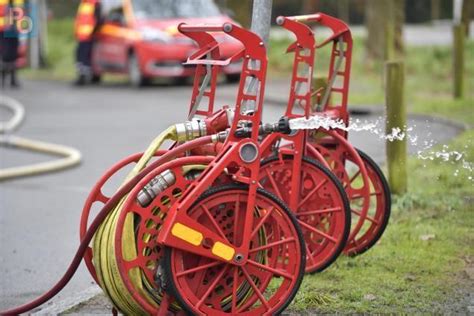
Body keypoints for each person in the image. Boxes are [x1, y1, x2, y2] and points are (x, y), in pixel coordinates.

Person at [74, 0, 101, 86]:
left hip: (89, 36)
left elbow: (98, 19)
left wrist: (94, 32)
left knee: (85, 57)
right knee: (80, 56)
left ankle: (85, 77)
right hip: (82, 36)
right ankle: (82, 75)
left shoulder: (95, 3)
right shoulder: (83, 3)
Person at [0, 0, 22, 88]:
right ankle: (4, 79)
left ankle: (12, 79)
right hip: (4, 28)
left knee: (13, 54)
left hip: (13, 28)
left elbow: (21, 12)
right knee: (5, 53)